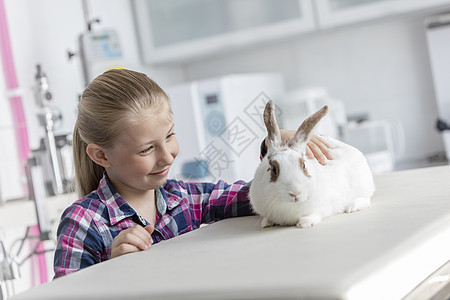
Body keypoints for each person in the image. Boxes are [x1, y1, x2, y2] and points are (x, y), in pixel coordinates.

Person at [53, 69, 332, 278]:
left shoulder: (184, 198)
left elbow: (256, 197)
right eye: (147, 149)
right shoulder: (83, 223)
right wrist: (110, 272)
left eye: (170, 136)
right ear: (101, 155)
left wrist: (276, 154)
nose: (168, 155)